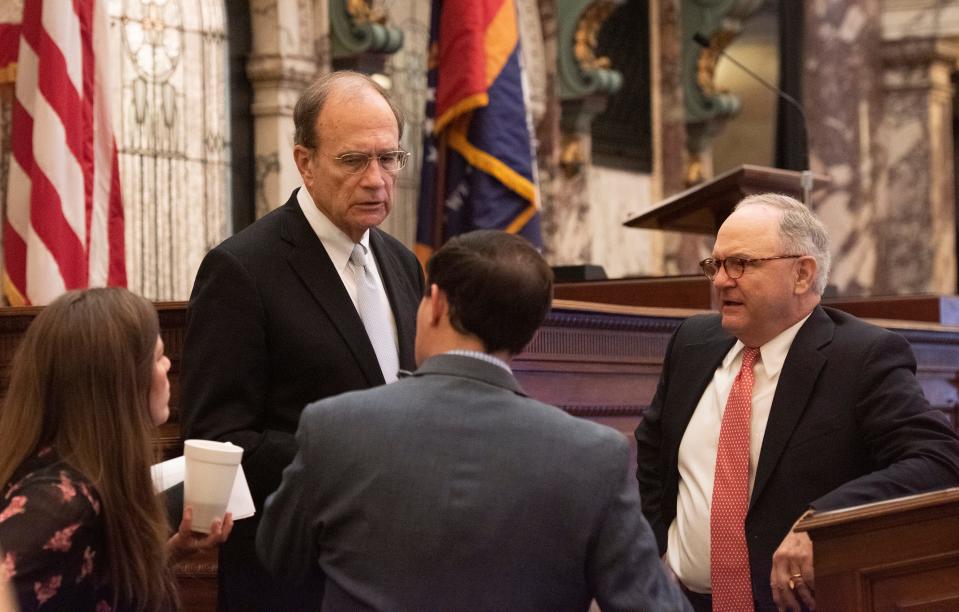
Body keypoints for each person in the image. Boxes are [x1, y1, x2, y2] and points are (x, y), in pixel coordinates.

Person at [256, 230, 692, 612]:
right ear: (532, 331)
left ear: (436, 303)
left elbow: (279, 557)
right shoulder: (595, 456)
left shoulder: (335, 427)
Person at [635, 193, 959, 612]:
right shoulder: (692, 343)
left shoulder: (861, 357)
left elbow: (939, 460)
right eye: (715, 265)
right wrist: (654, 551)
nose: (720, 281)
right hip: (679, 601)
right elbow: (653, 453)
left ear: (802, 274)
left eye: (741, 264)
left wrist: (824, 522)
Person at [179, 70, 424, 610]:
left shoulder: (403, 265)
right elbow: (217, 440)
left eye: (389, 159)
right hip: (291, 576)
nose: (376, 179)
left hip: (396, 568)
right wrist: (356, 459)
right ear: (305, 162)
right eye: (353, 160)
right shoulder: (241, 269)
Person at [0, 288, 232, 612]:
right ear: (120, 381)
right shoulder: (58, 503)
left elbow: (87, 586)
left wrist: (170, 552)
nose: (168, 366)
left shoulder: (91, 476)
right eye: (157, 357)